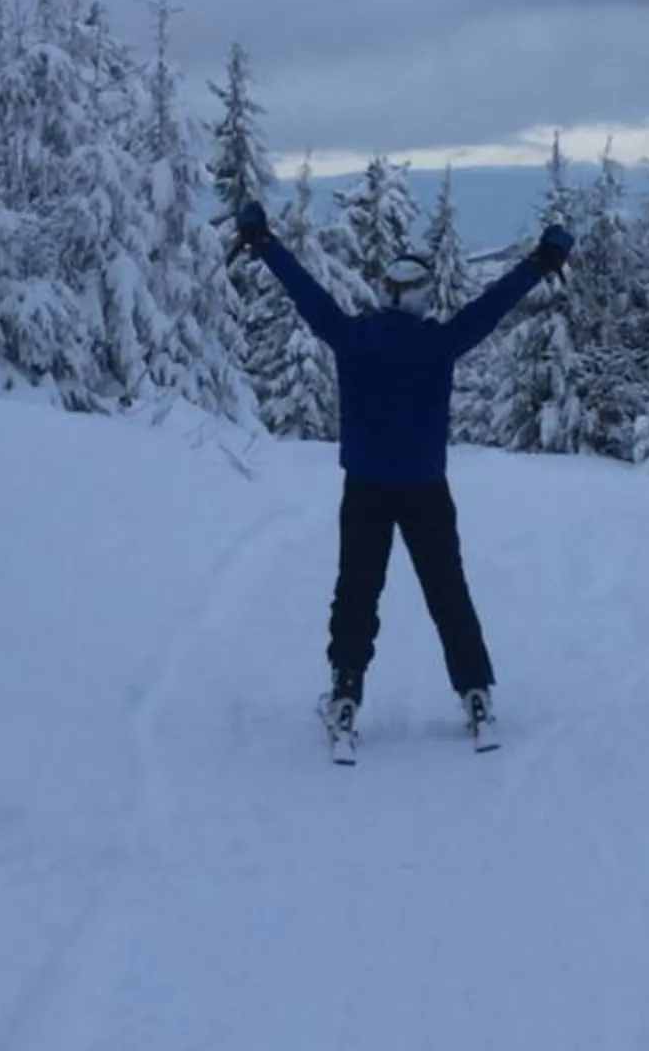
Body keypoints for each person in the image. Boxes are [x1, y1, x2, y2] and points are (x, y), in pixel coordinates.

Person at [232, 198, 575, 750]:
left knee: (357, 592)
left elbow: (306, 293)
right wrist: (540, 261)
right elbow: (493, 305)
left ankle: (345, 694)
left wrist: (264, 243)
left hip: (365, 489)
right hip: (426, 491)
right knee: (447, 592)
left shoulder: (352, 339)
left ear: (385, 292)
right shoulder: (440, 343)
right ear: (419, 298)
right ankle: (476, 692)